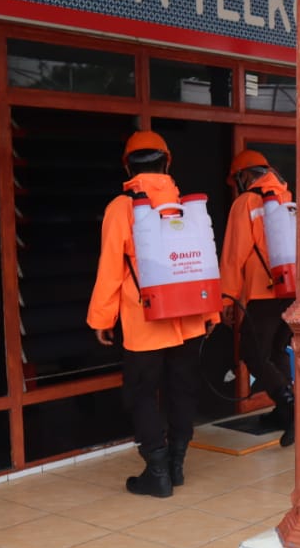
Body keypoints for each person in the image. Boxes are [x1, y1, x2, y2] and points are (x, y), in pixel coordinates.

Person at [87, 131, 218, 498]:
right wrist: (212, 312)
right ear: (168, 162)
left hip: (144, 320)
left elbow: (111, 268)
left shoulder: (122, 207)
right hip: (191, 317)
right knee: (183, 391)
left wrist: (101, 319)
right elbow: (204, 260)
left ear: (128, 166)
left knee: (143, 394)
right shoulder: (186, 206)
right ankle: (177, 465)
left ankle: (157, 471)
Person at [220, 149, 296, 447]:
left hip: (262, 293)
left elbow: (232, 257)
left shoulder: (246, 203)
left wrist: (226, 301)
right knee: (276, 351)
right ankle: (283, 410)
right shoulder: (288, 200)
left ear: (244, 176)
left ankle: (291, 408)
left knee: (252, 352)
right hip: (291, 291)